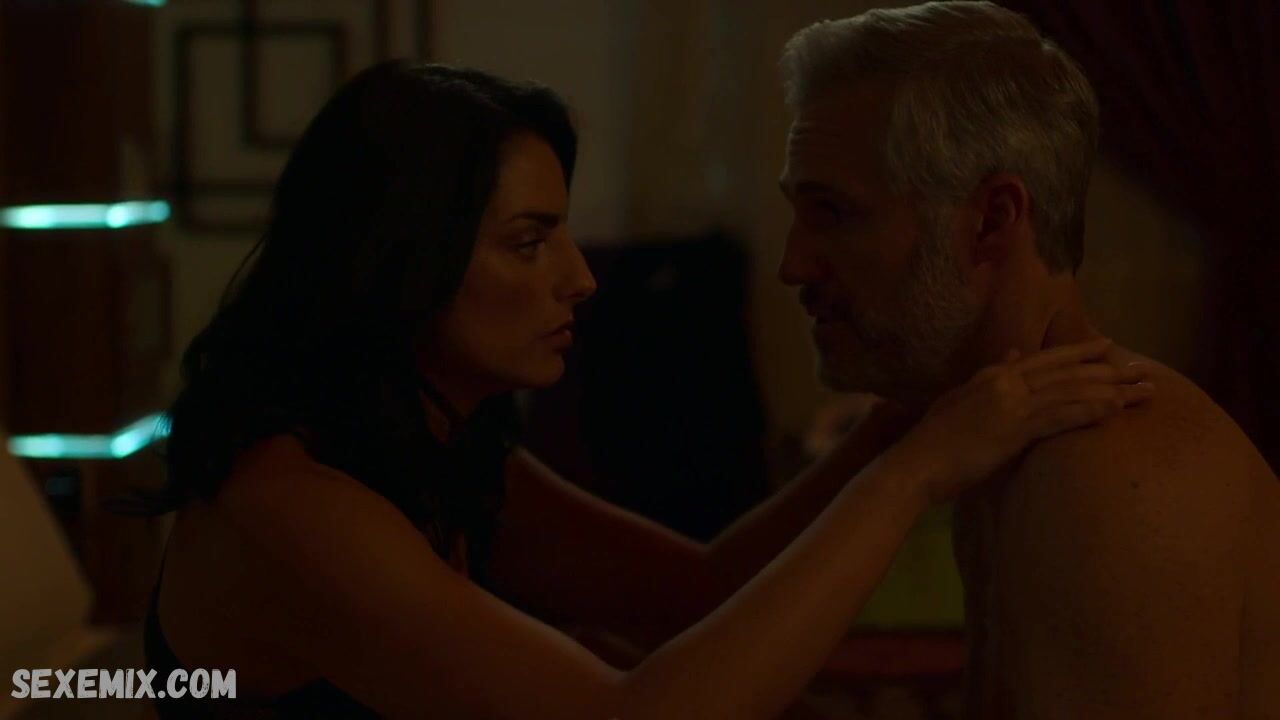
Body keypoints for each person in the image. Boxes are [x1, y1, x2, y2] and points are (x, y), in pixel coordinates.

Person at [139, 61, 1150, 719]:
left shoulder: (442, 442)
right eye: (528, 242)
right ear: (401, 262)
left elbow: (695, 593)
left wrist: (893, 424)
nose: (579, 278)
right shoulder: (292, 507)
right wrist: (915, 474)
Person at [776, 3, 1280, 718]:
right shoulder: (998, 441)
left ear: (991, 220)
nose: (792, 265)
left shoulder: (1105, 472)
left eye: (833, 213)